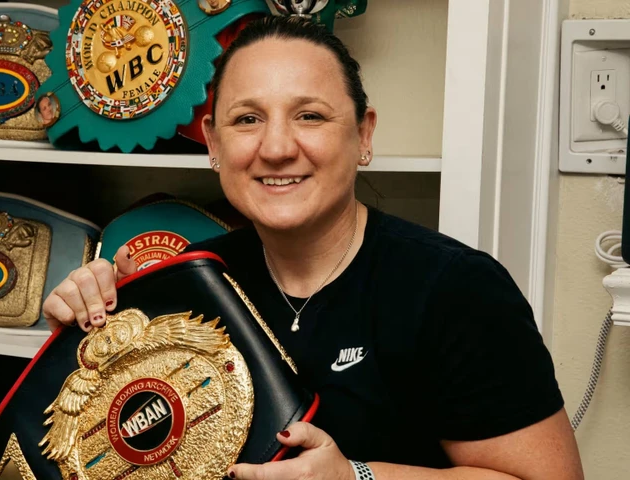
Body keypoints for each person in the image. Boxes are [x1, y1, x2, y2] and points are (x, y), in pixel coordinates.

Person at [41, 15, 585, 480]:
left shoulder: (456, 290)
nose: (277, 147)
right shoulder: (192, 281)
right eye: (248, 119)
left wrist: (357, 477)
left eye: (310, 116)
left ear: (364, 135)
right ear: (213, 143)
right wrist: (87, 333)